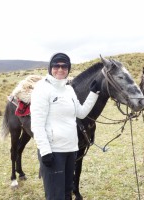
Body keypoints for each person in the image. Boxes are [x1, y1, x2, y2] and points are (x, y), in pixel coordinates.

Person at [30, 52, 101, 200]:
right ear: (50, 67)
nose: (60, 69)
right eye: (56, 65)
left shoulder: (69, 89)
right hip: (53, 152)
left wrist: (93, 93)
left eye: (64, 66)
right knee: (55, 196)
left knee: (67, 193)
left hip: (71, 150)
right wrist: (45, 151)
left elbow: (81, 113)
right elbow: (37, 124)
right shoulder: (42, 89)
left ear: (68, 68)